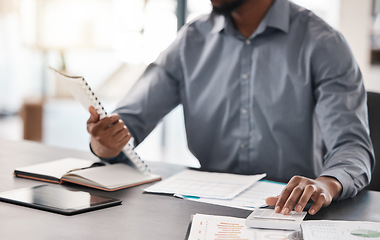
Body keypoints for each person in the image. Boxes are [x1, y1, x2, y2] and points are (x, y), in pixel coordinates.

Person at [86, 0, 375, 215]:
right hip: (206, 208)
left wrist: (326, 184)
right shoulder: (191, 40)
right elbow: (128, 124)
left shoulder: (323, 43)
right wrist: (104, 144)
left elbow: (352, 146)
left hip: (289, 211)